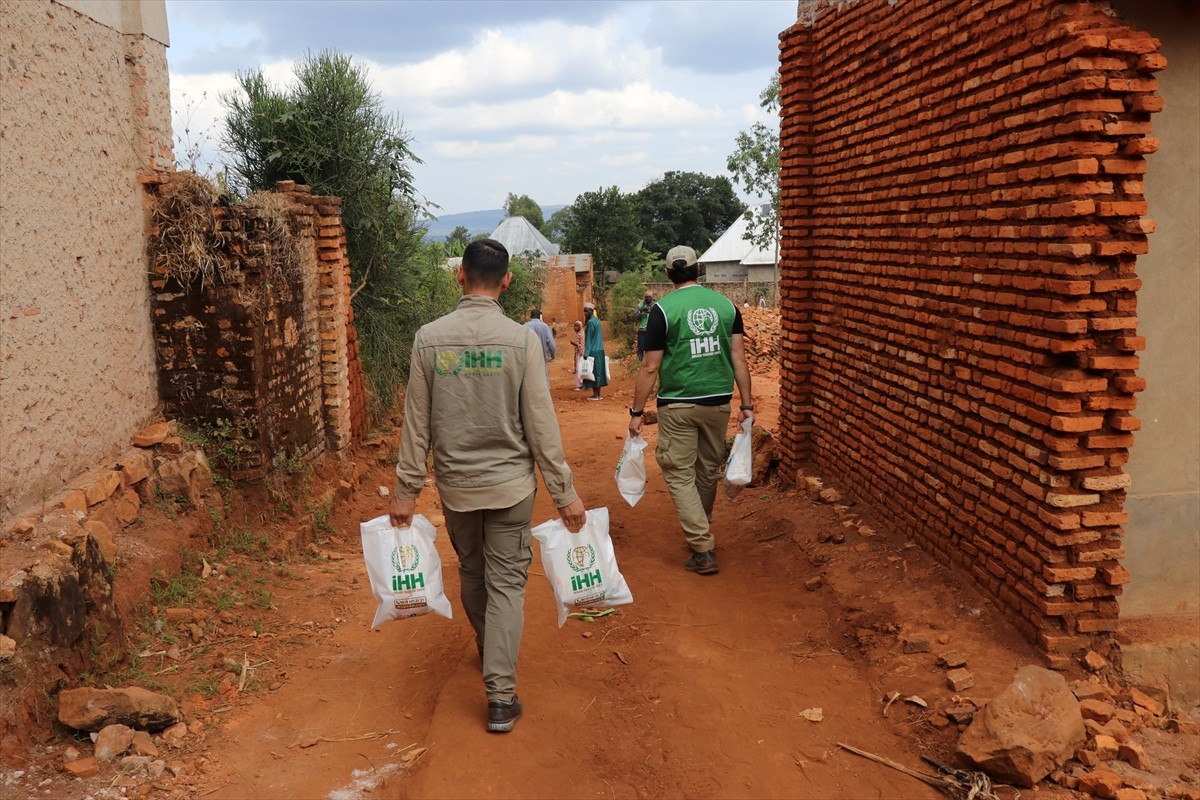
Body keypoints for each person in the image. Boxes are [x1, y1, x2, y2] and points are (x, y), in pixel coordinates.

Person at [390, 238, 587, 733]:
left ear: (460, 276)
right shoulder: (521, 341)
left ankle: (488, 647)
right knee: (506, 585)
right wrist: (564, 494)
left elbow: (417, 423)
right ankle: (501, 696)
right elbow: (541, 424)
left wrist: (406, 491)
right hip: (510, 489)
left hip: (456, 488)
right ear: (506, 280)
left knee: (474, 574)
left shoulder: (428, 338)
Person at [626, 245, 753, 577]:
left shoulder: (663, 311)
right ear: (699, 271)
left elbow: (650, 368)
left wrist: (636, 412)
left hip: (678, 405)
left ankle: (703, 547)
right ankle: (701, 526)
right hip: (719, 403)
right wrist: (748, 404)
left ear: (668, 275)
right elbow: (739, 359)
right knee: (707, 469)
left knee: (679, 472)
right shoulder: (727, 306)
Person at [581, 302, 608, 400]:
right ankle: (598, 394)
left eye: (587, 311)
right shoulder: (597, 321)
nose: (585, 313)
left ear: (592, 311)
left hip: (593, 351)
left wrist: (586, 353)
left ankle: (595, 395)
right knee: (599, 372)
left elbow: (589, 339)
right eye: (584, 311)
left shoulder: (590, 323)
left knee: (593, 373)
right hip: (600, 350)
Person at [633, 291, 654, 360]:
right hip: (642, 330)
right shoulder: (640, 305)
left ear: (652, 297)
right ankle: (639, 363)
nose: (648, 298)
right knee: (641, 348)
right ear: (644, 297)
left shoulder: (655, 305)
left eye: (650, 297)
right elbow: (634, 317)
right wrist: (641, 311)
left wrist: (651, 311)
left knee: (652, 348)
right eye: (647, 297)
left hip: (652, 330)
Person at [570, 320, 585, 390]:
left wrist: (574, 343)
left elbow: (581, 345)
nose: (575, 328)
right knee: (581, 368)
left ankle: (580, 385)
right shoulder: (581, 333)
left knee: (579, 369)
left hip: (580, 354)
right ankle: (583, 384)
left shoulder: (580, 334)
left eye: (577, 326)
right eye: (574, 326)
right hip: (580, 353)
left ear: (580, 327)